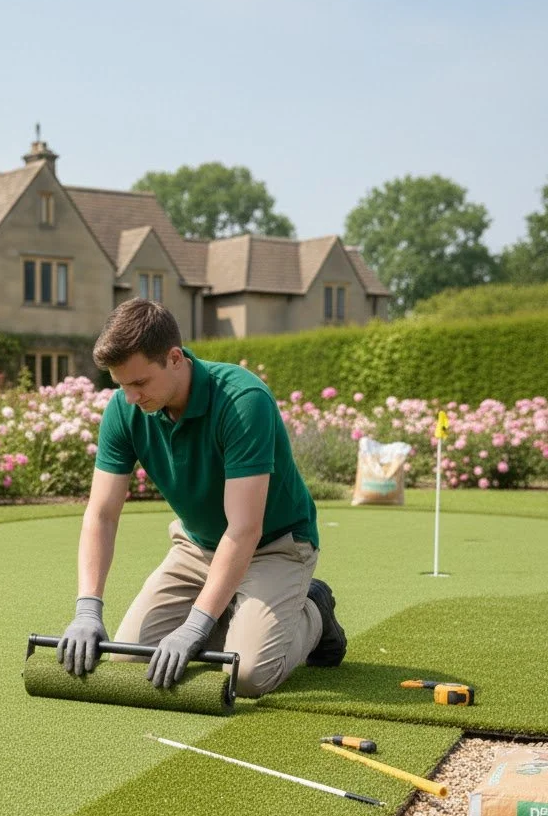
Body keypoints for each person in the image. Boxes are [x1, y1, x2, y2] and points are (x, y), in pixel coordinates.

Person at [57, 297, 346, 697]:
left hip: (274, 546)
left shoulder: (243, 401)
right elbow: (101, 515)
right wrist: (88, 608)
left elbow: (244, 530)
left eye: (139, 383)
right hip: (196, 548)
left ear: (174, 358)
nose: (130, 398)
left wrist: (195, 625)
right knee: (130, 660)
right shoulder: (125, 411)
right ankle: (233, 615)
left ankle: (313, 610)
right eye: (121, 385)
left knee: (244, 676)